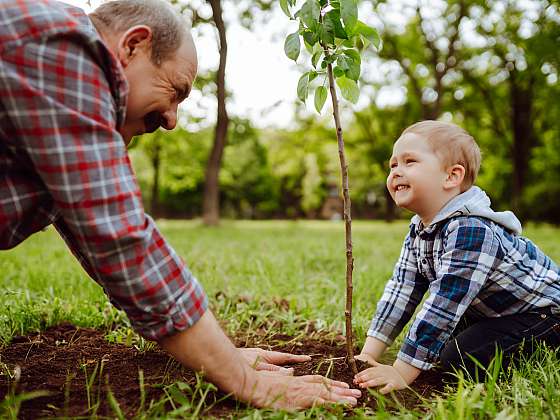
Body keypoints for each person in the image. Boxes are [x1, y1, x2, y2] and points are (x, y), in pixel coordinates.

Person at [0, 0, 361, 409]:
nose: (172, 121)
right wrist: (248, 382)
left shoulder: (54, 69)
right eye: (175, 92)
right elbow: (124, 243)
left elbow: (104, 247)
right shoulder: (68, 50)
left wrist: (222, 358)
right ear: (133, 46)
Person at [353, 120, 560, 392]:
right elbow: (401, 291)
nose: (396, 172)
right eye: (393, 165)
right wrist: (369, 355)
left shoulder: (471, 229)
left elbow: (445, 303)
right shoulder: (419, 228)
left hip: (544, 314)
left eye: (409, 161)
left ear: (451, 176)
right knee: (436, 342)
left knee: (460, 358)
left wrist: (401, 372)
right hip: (494, 311)